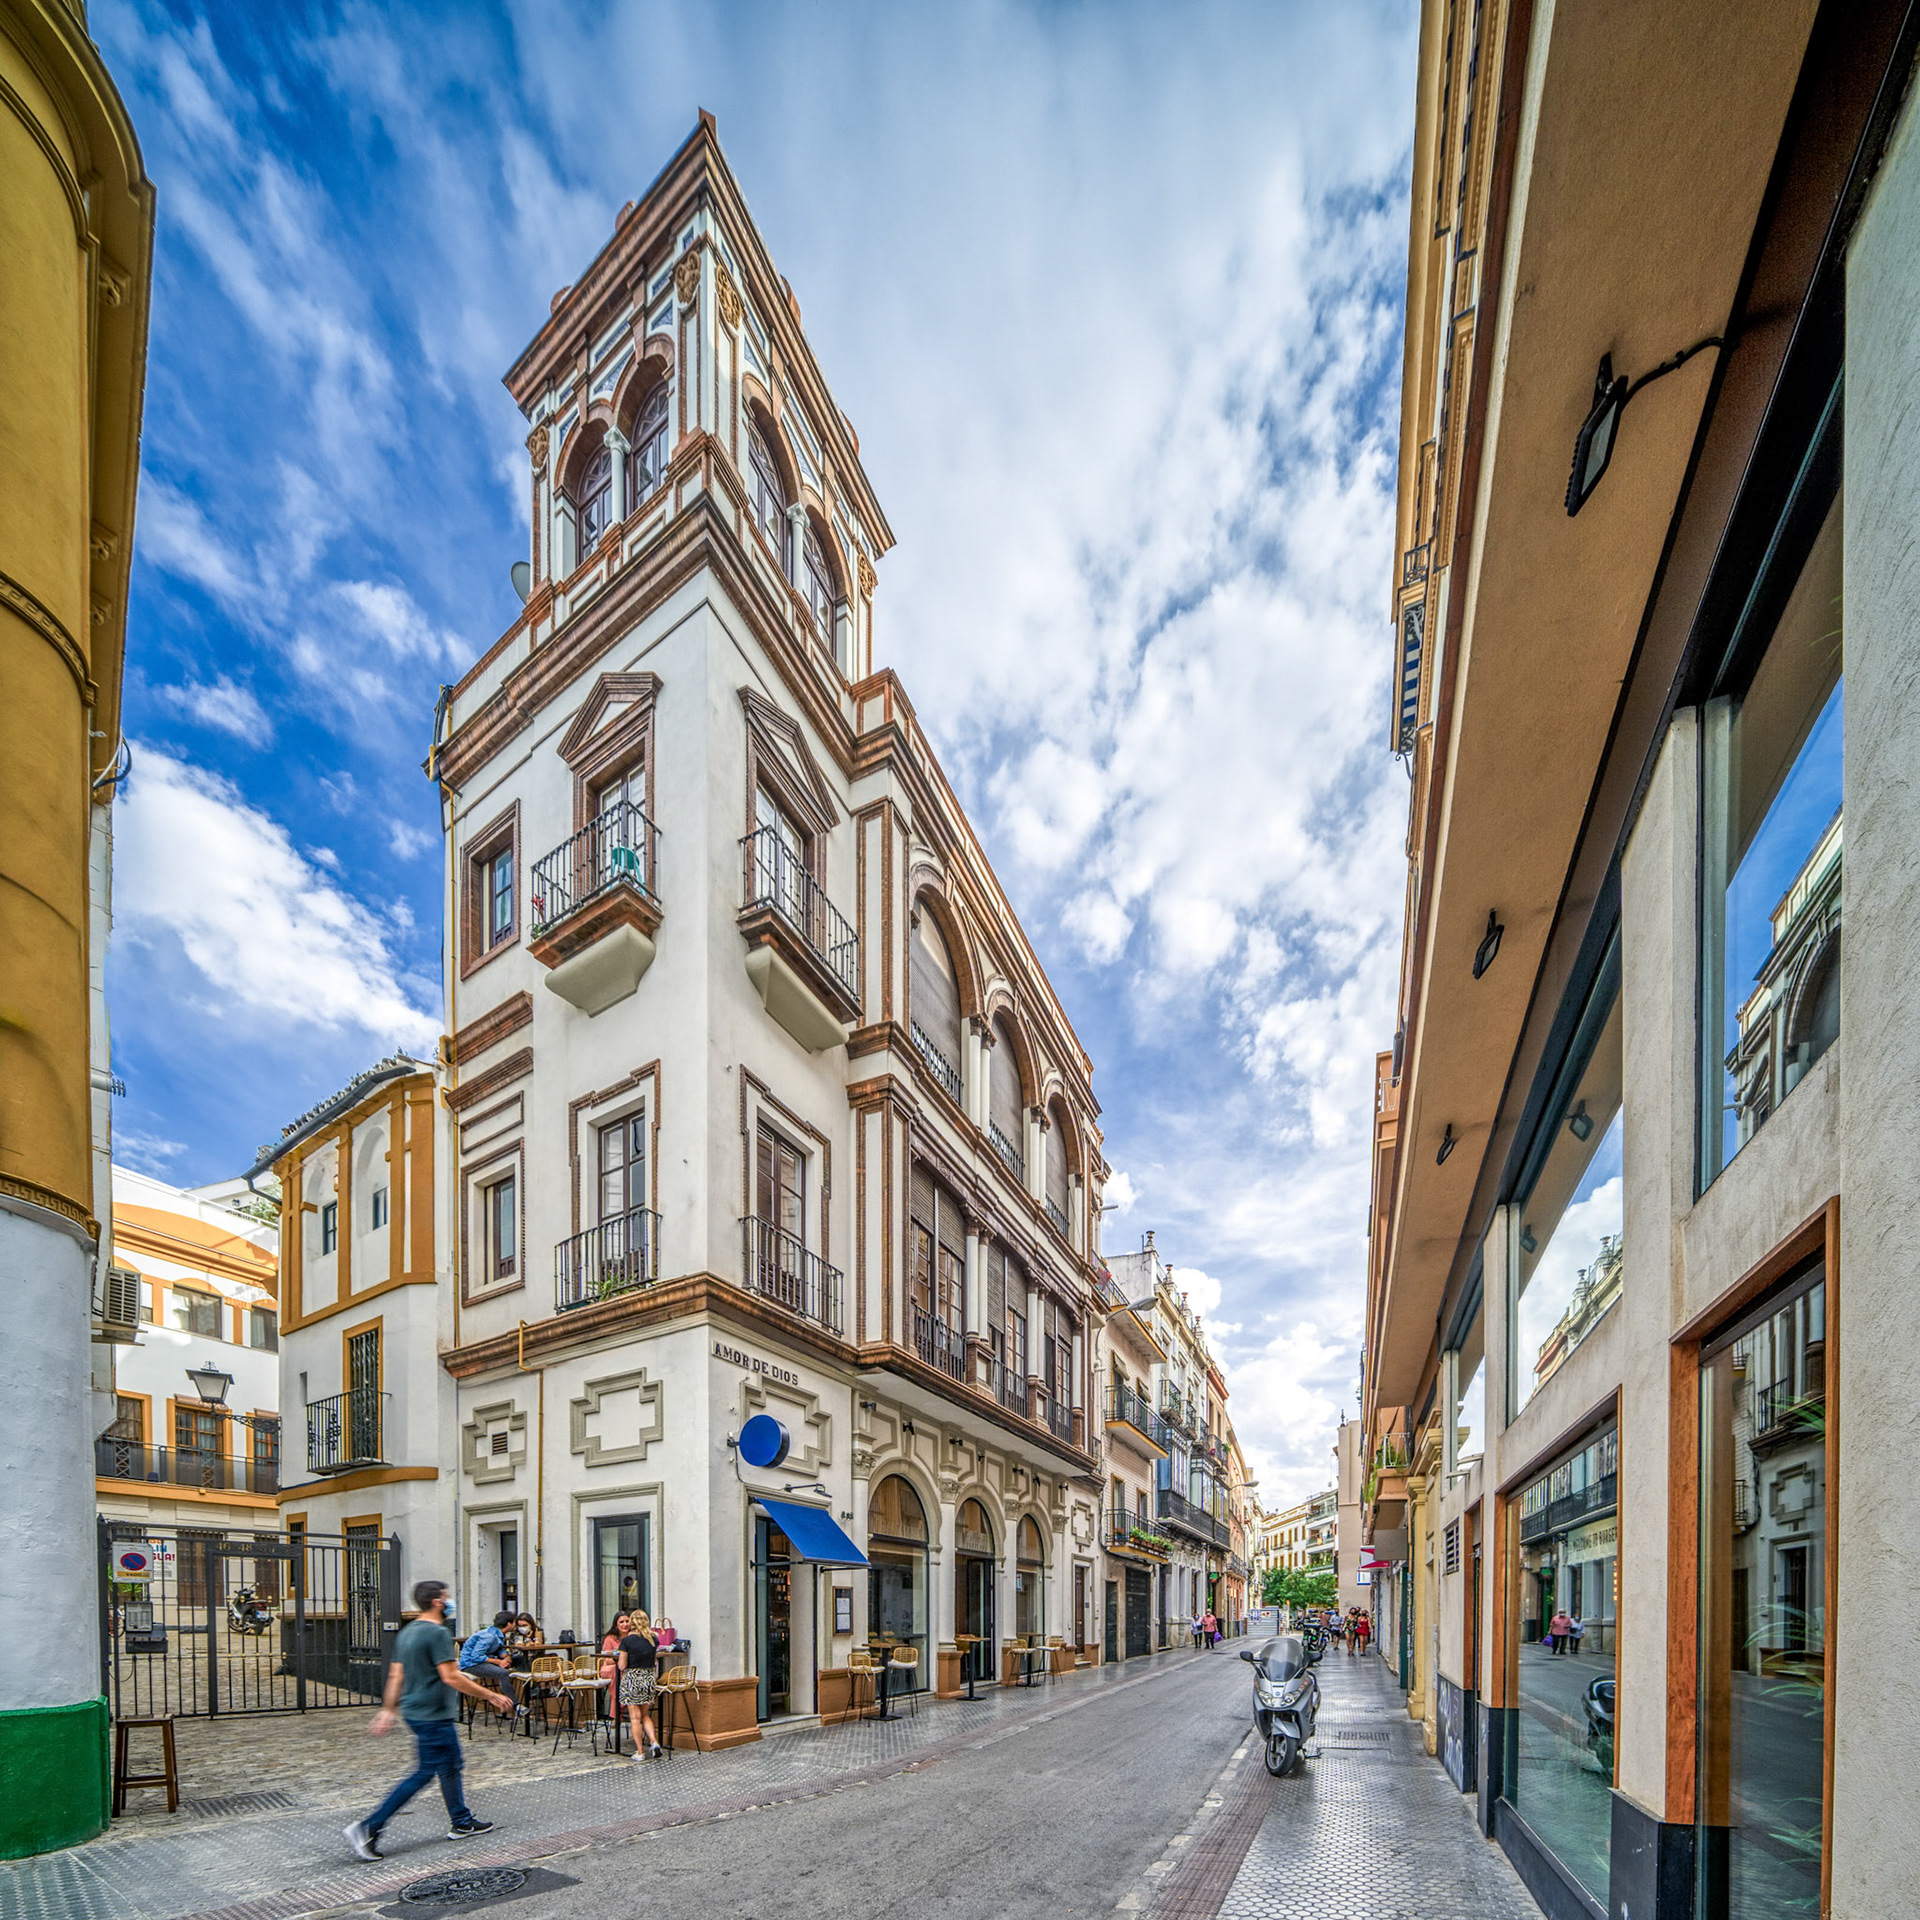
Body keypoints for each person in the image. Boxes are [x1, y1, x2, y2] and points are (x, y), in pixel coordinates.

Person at [345, 1580, 511, 1861]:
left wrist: (389, 1708)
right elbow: (451, 1676)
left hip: (417, 1712)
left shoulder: (407, 1633)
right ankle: (368, 1827)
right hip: (433, 1714)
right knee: (424, 1772)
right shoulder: (437, 1634)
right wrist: (489, 1696)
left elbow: (396, 1675)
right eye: (446, 1598)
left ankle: (461, 1821)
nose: (449, 1603)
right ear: (437, 1602)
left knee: (451, 1766)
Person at [618, 1610, 662, 1758]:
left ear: (632, 1622)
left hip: (633, 1678)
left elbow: (622, 1665)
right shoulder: (653, 1639)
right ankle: (654, 1742)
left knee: (635, 1718)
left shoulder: (627, 1641)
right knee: (645, 1715)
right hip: (649, 1678)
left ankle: (640, 1752)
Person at [458, 1610, 514, 1694]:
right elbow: (476, 1657)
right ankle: (514, 1704)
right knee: (503, 1673)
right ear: (509, 1624)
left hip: (485, 1660)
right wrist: (499, 1662)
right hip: (471, 1665)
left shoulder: (498, 1633)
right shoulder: (489, 1636)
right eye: (514, 1622)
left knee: (518, 1659)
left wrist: (506, 1657)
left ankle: (529, 1691)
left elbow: (498, 1650)